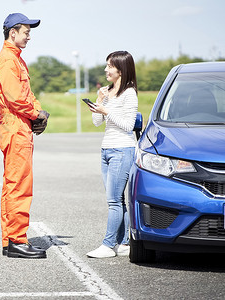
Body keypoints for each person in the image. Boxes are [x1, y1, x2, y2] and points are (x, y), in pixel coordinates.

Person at [0, 13, 49, 259]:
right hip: (15, 128)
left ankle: (10, 241)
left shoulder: (17, 60)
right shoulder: (8, 60)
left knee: (12, 185)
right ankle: (16, 240)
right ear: (12, 33)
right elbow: (16, 99)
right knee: (19, 186)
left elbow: (27, 93)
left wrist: (38, 114)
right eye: (26, 32)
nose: (29, 36)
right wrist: (36, 114)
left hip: (19, 127)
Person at [86, 51, 138, 258]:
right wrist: (99, 102)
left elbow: (128, 125)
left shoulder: (129, 93)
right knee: (117, 200)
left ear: (121, 69)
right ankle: (124, 244)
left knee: (114, 201)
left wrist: (107, 111)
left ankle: (108, 245)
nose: (106, 70)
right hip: (106, 150)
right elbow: (97, 123)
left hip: (123, 150)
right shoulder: (108, 91)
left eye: (110, 66)